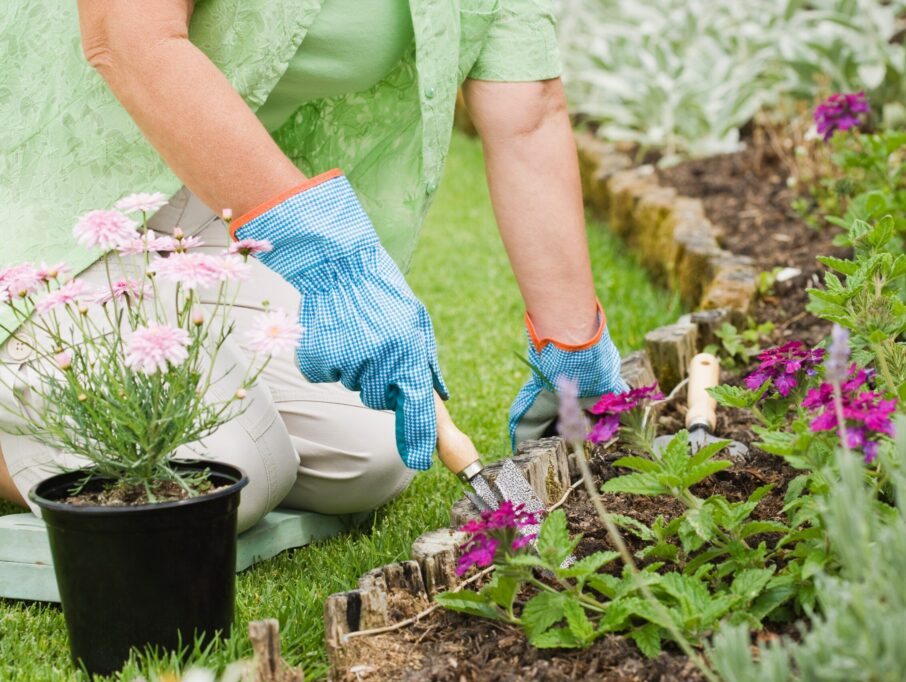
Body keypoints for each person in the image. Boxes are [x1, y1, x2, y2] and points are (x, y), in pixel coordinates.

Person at [0, 0, 626, 530]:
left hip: (208, 202)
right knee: (223, 471)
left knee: (370, 456)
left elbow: (530, 113)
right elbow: (126, 38)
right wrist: (328, 255)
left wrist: (573, 350)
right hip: (44, 197)